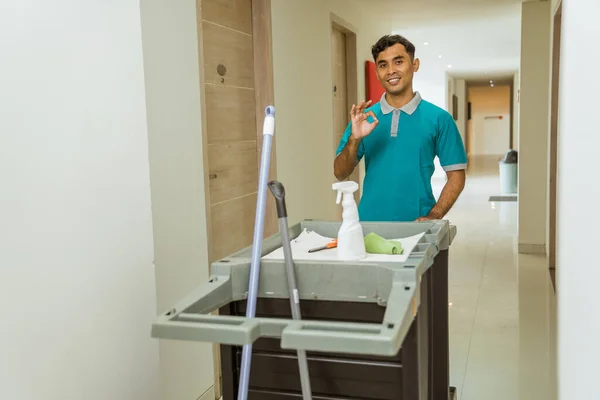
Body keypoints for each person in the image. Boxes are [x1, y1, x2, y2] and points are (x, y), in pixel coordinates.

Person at [333, 34, 467, 222]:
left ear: (415, 65)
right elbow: (340, 173)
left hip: (418, 225)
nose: (390, 71)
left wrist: (434, 215)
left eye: (398, 62)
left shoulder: (439, 119)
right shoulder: (364, 118)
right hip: (368, 225)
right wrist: (354, 139)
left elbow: (456, 176)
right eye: (383, 65)